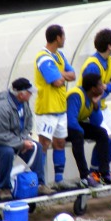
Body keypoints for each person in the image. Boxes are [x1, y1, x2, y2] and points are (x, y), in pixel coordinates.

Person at [0, 78, 55, 199]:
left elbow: (28, 124)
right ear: (21, 94)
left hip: (13, 138)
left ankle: (40, 184)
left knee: (37, 147)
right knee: (7, 152)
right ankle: (4, 188)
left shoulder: (24, 102)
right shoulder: (1, 107)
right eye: (29, 92)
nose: (31, 95)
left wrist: (22, 140)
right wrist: (20, 144)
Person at [79, 28, 111, 183]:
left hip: (102, 106)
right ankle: (95, 171)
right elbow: (91, 91)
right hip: (91, 107)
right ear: (109, 46)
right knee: (105, 136)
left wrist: (107, 87)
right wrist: (104, 90)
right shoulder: (93, 65)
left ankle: (101, 170)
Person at [34, 24, 76, 190]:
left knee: (60, 143)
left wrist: (60, 74)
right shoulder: (43, 57)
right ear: (58, 38)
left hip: (60, 108)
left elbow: (73, 75)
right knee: (44, 145)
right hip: (47, 110)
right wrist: (62, 75)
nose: (64, 39)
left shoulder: (59, 56)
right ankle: (41, 183)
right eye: (63, 36)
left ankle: (59, 180)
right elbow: (56, 81)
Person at [67, 73, 111, 188]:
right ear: (93, 88)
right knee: (78, 135)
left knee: (102, 133)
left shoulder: (93, 97)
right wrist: (81, 132)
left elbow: (97, 122)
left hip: (75, 125)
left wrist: (96, 106)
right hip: (62, 127)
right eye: (100, 85)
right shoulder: (76, 95)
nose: (103, 86)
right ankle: (85, 177)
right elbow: (70, 120)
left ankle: (104, 173)